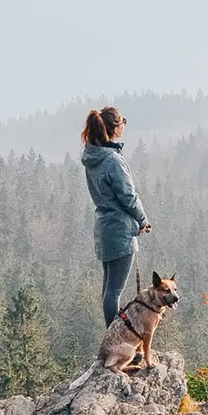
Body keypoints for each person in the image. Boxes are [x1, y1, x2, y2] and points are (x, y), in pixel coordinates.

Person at [81, 106, 151, 327]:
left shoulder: (93, 157)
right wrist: (143, 220)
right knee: (115, 291)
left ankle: (112, 337)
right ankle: (116, 340)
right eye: (122, 123)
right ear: (114, 128)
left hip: (104, 228)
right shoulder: (112, 160)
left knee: (108, 288)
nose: (123, 127)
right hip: (120, 230)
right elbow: (128, 196)